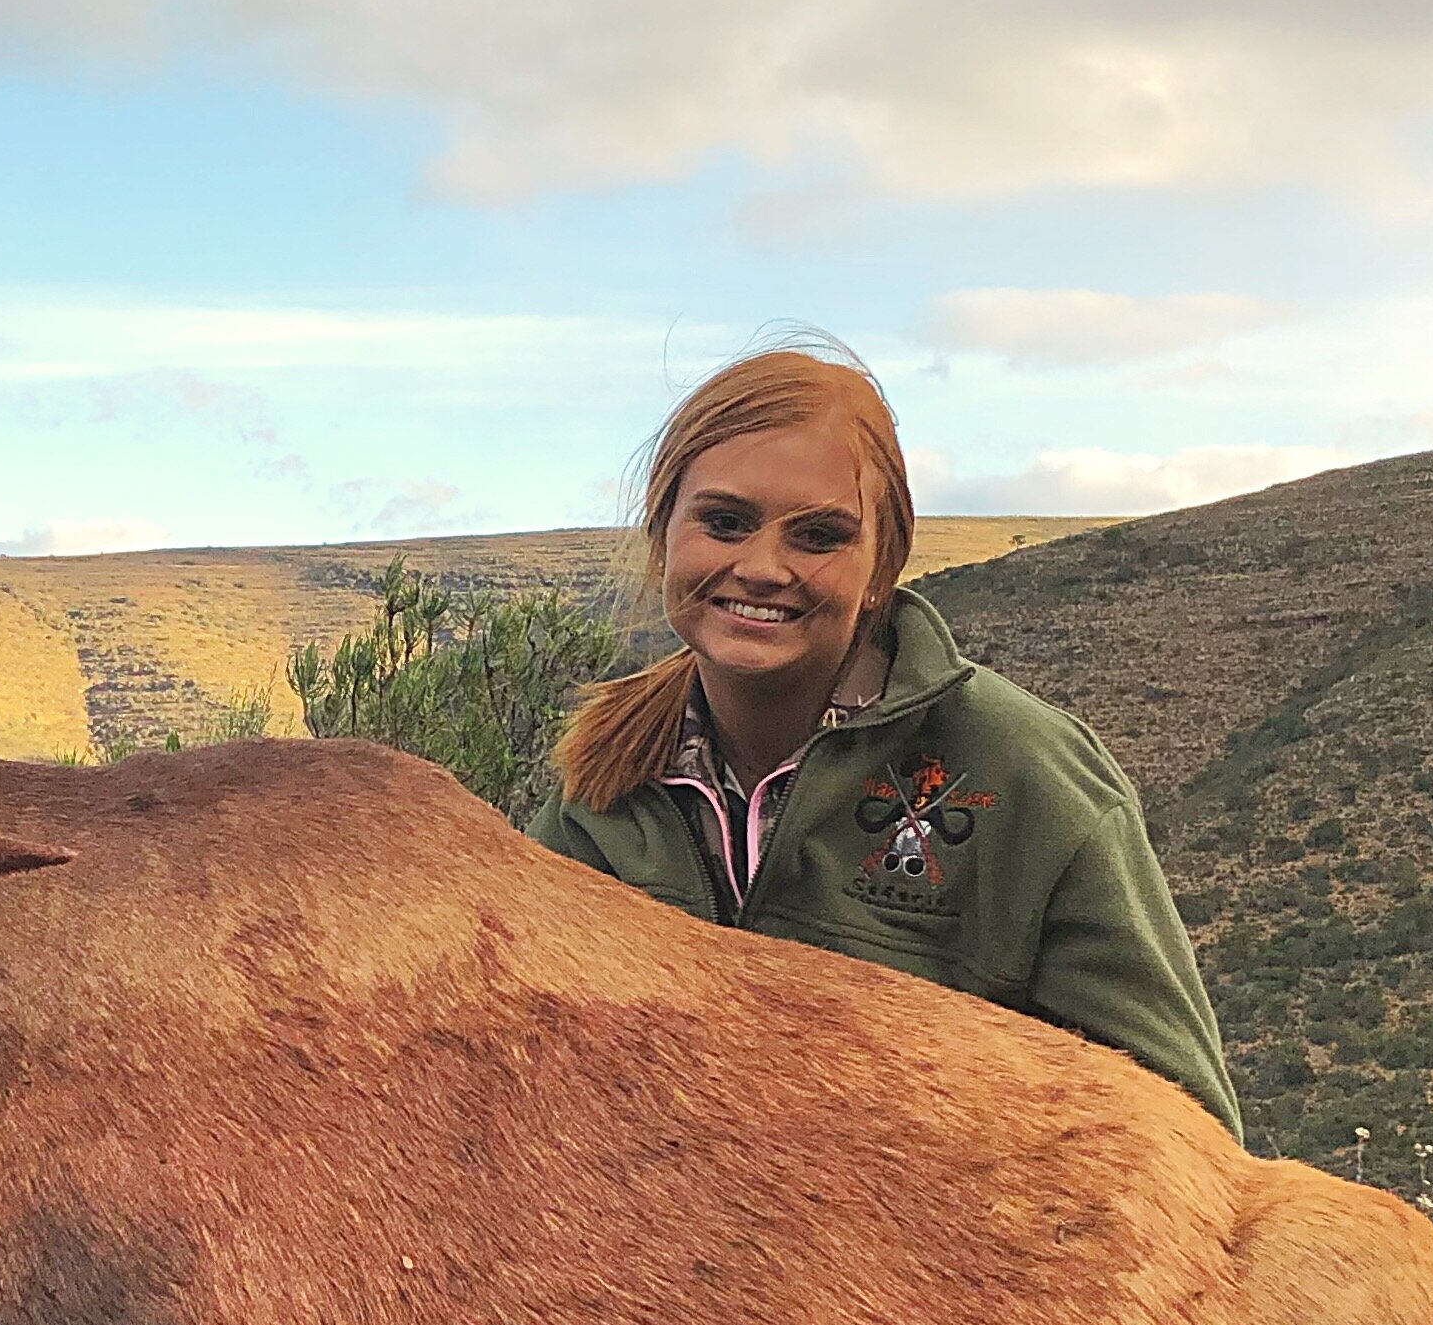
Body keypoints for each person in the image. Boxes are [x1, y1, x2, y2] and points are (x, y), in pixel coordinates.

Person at [528, 345, 1244, 1139]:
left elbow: (1187, 1136)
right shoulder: (603, 784)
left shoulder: (1027, 777)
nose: (762, 566)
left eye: (818, 536)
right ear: (665, 535)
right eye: (724, 522)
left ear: (880, 568)